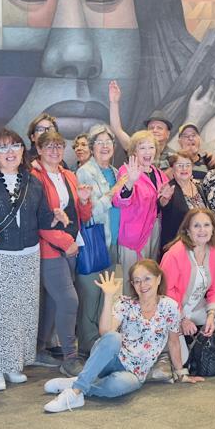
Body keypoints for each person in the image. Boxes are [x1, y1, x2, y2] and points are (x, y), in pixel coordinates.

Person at [43, 263, 203, 413]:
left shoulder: (170, 307)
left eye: (147, 279)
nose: (142, 285)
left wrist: (181, 373)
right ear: (132, 284)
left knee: (117, 387)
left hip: (135, 373)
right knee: (113, 337)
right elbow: (105, 332)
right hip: (112, 359)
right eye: (137, 281)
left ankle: (77, 384)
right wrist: (108, 296)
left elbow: (173, 342)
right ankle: (75, 394)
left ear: (158, 279)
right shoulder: (126, 304)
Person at [0, 129, 54, 393]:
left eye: (15, 146)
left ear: (23, 150)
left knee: (24, 312)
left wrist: (58, 215)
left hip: (29, 255)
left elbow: (44, 218)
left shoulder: (33, 181)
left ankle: (14, 364)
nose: (10, 152)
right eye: (3, 148)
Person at [29, 130, 93, 377]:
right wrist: (64, 242)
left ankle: (38, 349)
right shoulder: (34, 177)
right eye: (49, 146)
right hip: (50, 248)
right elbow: (38, 219)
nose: (54, 151)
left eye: (58, 146)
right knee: (68, 300)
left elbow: (81, 215)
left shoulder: (69, 175)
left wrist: (84, 201)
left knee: (55, 302)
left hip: (72, 246)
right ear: (39, 149)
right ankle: (70, 357)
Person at [159, 208, 215, 361]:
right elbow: (165, 291)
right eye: (196, 226)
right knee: (182, 360)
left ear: (213, 229)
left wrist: (211, 316)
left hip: (194, 308)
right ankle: (172, 341)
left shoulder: (214, 252)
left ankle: (200, 344)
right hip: (172, 312)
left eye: (206, 225)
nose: (202, 230)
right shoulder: (175, 253)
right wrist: (182, 319)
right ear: (188, 230)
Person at [75, 125, 123, 354]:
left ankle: (103, 344)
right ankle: (87, 346)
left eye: (108, 142)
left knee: (108, 296)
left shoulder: (116, 171)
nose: (104, 146)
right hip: (95, 241)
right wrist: (113, 192)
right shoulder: (85, 172)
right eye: (99, 142)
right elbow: (90, 212)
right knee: (91, 296)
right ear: (92, 147)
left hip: (114, 241)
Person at [112, 130, 170, 265]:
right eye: (142, 148)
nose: (147, 152)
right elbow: (118, 201)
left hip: (154, 229)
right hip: (134, 233)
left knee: (150, 272)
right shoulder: (126, 171)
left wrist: (165, 200)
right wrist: (130, 182)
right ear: (134, 152)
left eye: (151, 147)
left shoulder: (160, 174)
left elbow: (160, 204)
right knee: (132, 274)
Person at [158, 151, 207, 251]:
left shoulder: (198, 187)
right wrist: (165, 198)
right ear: (172, 168)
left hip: (201, 244)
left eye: (188, 165)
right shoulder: (169, 188)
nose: (184, 168)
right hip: (178, 247)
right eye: (180, 165)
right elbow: (161, 204)